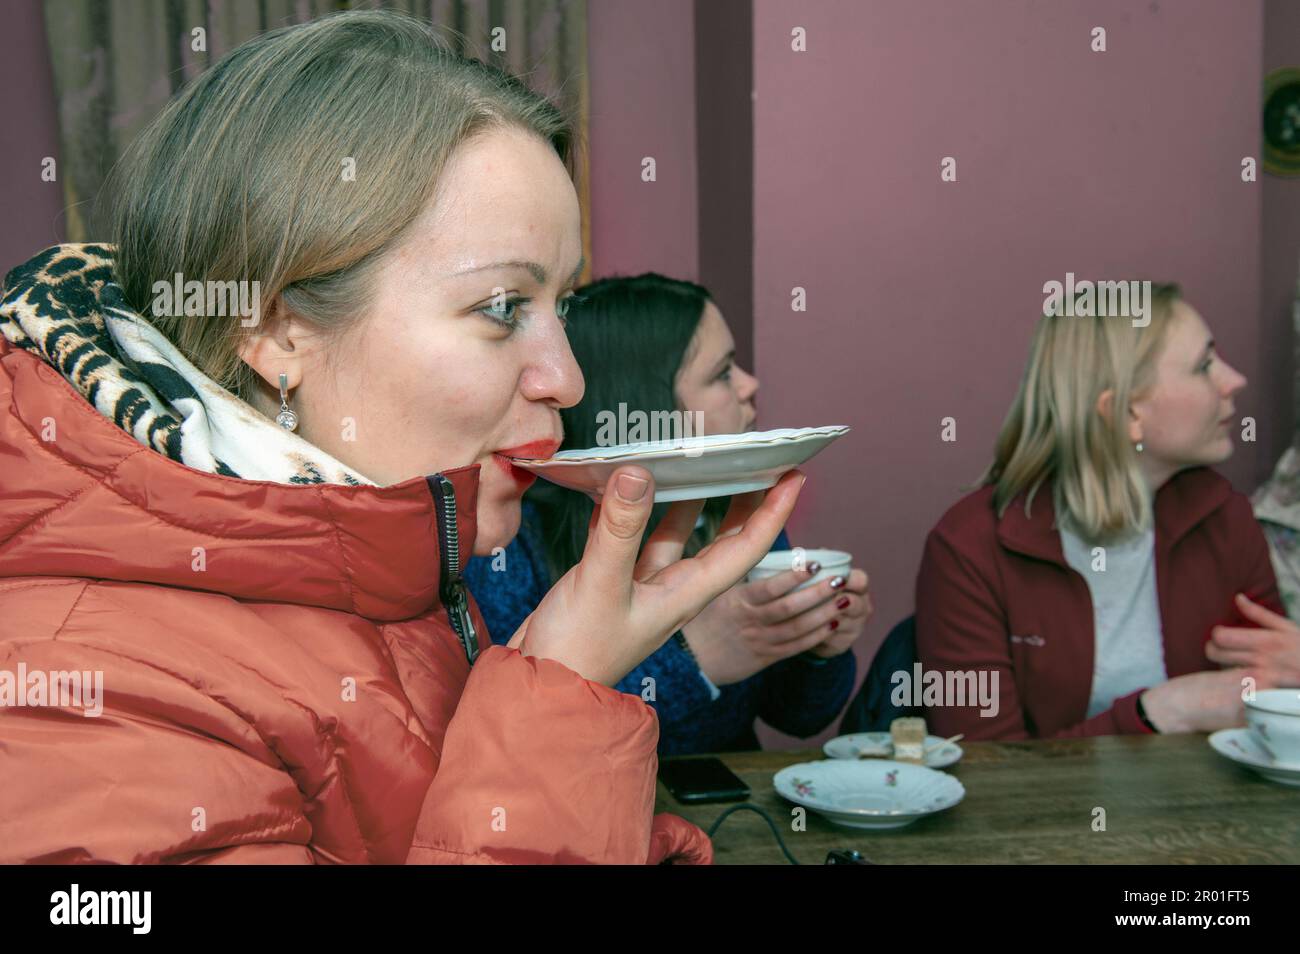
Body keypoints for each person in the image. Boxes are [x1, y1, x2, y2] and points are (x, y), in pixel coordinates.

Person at [0, 10, 805, 865]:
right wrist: (558, 699)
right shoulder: (79, 696)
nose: (568, 379)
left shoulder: (390, 563)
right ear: (276, 331)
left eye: (559, 306)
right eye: (501, 308)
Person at [463, 274, 871, 754]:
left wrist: (819, 650)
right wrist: (696, 661)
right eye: (722, 373)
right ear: (646, 403)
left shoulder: (737, 513)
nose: (749, 384)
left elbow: (799, 719)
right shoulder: (509, 540)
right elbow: (514, 752)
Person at [916, 283, 1296, 740]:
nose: (1234, 381)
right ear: (1125, 414)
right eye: (1203, 366)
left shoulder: (1225, 520)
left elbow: (1271, 727)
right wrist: (1158, 713)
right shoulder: (969, 549)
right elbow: (984, 776)